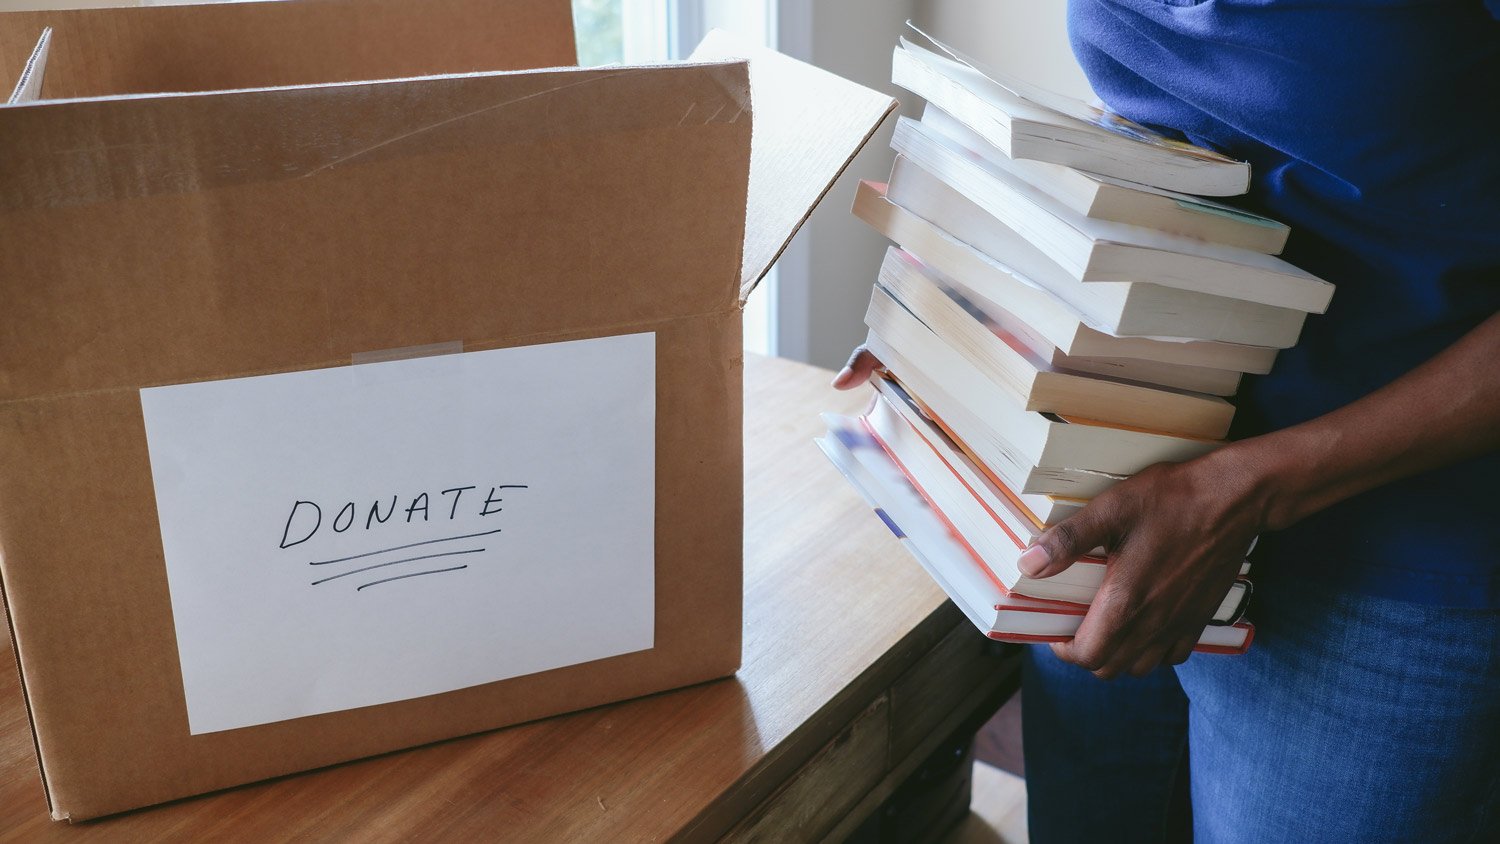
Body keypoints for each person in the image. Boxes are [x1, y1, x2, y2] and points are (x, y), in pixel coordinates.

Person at [834, 2, 1500, 841]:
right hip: (1126, 474)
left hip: (1397, 546)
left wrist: (1248, 490)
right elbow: (1175, 123)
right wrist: (973, 325)